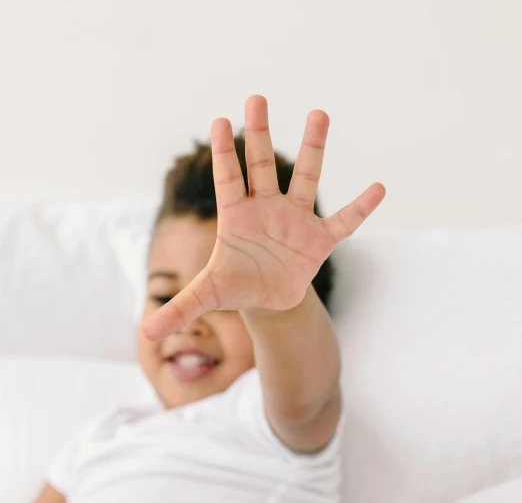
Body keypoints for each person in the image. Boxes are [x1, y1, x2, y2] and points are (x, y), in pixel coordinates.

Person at [34, 95, 385, 503]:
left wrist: (280, 308)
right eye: (165, 294)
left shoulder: (270, 420)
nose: (188, 321)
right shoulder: (101, 438)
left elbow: (306, 395)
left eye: (225, 301)